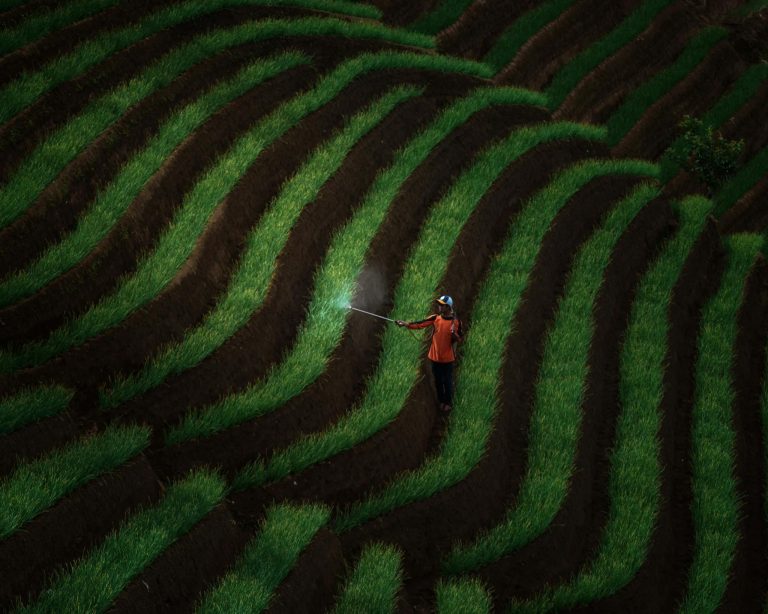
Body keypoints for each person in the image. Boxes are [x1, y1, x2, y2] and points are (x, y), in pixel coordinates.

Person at [396, 295, 463, 413]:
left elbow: (461, 339)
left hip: (448, 359)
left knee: (447, 381)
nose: (439, 306)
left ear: (448, 307)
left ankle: (447, 403)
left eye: (441, 305)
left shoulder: (456, 322)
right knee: (438, 380)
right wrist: (406, 324)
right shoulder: (435, 318)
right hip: (435, 357)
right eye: (439, 304)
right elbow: (420, 324)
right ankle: (441, 401)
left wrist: (454, 335)